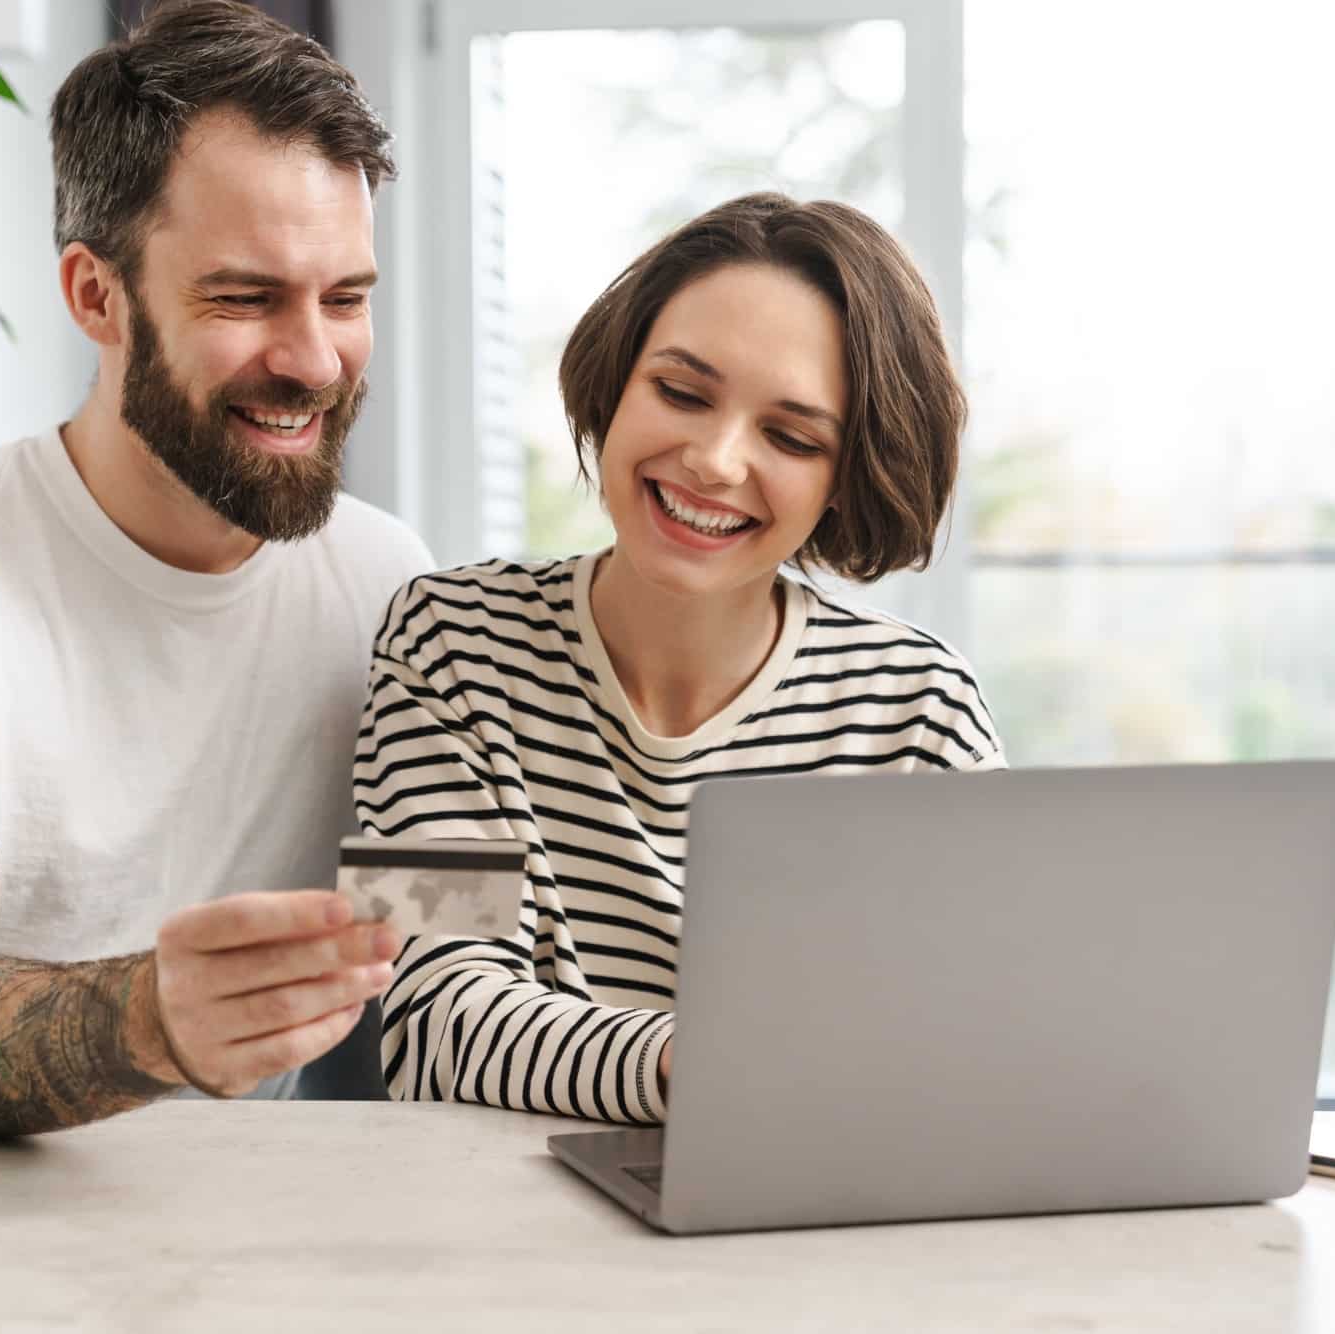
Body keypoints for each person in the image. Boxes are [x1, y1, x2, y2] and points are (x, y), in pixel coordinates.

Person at [0, 0, 431, 1135]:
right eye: (243, 297)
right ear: (94, 295)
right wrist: (153, 1017)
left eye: (346, 297)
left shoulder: (382, 582)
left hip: (194, 1235)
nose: (313, 358)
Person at [355, 192, 1005, 1124]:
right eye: (682, 392)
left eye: (791, 436)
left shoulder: (918, 711)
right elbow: (430, 1024)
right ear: (617, 384)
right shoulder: (448, 643)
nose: (713, 460)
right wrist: (703, 1064)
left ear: (843, 476)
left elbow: (978, 1038)